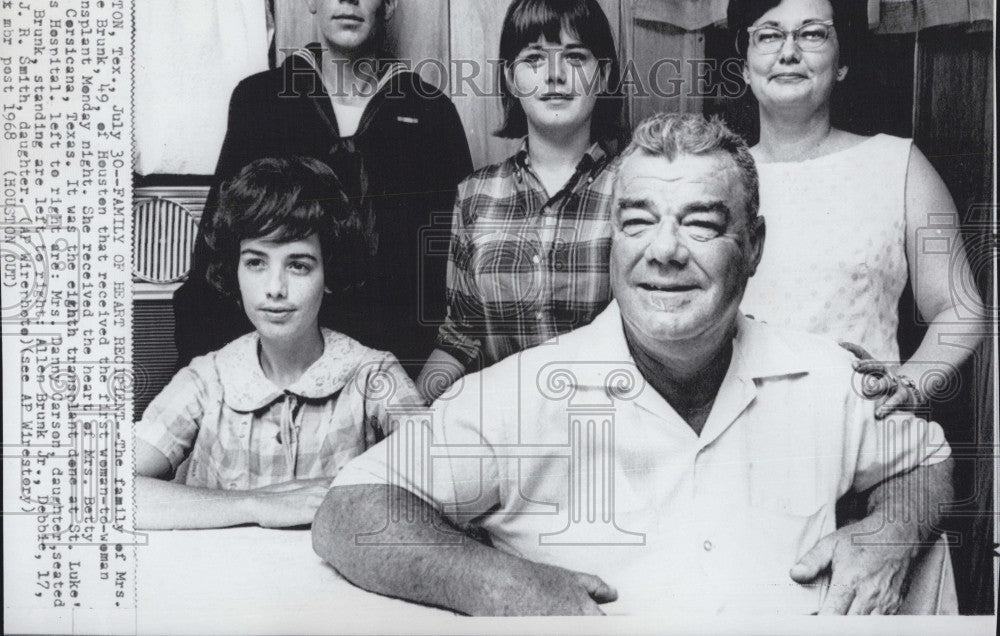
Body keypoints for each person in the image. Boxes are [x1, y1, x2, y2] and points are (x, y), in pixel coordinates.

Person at [313, 113, 953, 615]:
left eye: (701, 224)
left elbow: (925, 459)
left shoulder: (828, 378)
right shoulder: (520, 395)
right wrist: (502, 587)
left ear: (753, 246)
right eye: (638, 223)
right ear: (611, 240)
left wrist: (889, 532)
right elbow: (351, 511)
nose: (664, 251)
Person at [173, 0, 472, 376]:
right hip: (272, 363)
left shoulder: (429, 112)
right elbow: (218, 248)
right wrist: (216, 373)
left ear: (387, 1)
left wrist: (426, 376)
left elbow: (455, 261)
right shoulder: (261, 100)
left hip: (393, 367)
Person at [728, 0, 984, 415]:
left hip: (865, 440)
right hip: (737, 438)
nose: (788, 52)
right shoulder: (716, 175)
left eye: (812, 34)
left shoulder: (899, 166)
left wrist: (910, 381)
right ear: (744, 64)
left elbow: (961, 308)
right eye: (768, 34)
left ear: (842, 61)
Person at [136, 157, 423, 530]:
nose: (274, 288)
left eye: (298, 265)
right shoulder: (207, 379)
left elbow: (448, 490)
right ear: (234, 269)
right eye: (256, 262)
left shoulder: (373, 376)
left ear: (329, 273)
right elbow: (103, 494)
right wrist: (254, 505)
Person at [416, 0, 626, 400]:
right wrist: (409, 409)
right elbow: (461, 336)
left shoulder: (634, 185)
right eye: (533, 59)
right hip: (508, 427)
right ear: (512, 79)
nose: (554, 75)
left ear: (601, 76)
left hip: (611, 422)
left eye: (575, 57)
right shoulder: (475, 195)